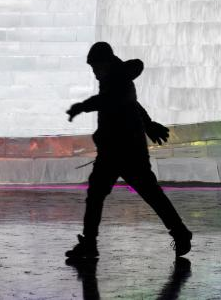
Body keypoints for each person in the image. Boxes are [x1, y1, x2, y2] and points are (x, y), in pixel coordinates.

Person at [64, 42, 192, 259]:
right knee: (102, 194)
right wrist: (149, 124)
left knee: (145, 193)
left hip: (126, 151)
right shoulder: (115, 79)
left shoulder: (118, 80)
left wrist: (81, 106)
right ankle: (90, 243)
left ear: (106, 63)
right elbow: (132, 104)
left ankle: (180, 232)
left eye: (96, 67)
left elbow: (110, 100)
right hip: (115, 150)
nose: (94, 73)